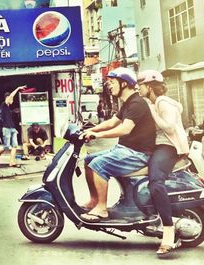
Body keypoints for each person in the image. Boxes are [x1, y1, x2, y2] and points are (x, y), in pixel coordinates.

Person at [80, 67, 156, 222]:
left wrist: (97, 135)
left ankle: (101, 209)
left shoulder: (137, 103)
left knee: (98, 165)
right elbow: (112, 122)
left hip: (138, 154)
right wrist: (89, 129)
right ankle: (94, 200)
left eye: (112, 82)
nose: (109, 86)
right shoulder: (128, 103)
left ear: (124, 84)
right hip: (125, 150)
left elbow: (125, 129)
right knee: (88, 161)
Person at [138, 70, 189, 256]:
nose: (139, 88)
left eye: (141, 85)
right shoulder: (155, 102)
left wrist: (151, 111)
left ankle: (169, 233)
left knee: (156, 183)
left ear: (149, 87)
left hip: (168, 148)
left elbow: (168, 126)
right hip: (158, 146)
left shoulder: (162, 102)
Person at [0, 85, 26, 167]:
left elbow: (10, 119)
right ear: (7, 98)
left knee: (15, 146)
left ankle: (12, 162)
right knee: (6, 147)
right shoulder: (4, 105)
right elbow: (11, 96)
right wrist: (18, 88)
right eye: (11, 98)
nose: (12, 100)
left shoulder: (8, 108)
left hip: (12, 129)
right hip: (6, 129)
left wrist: (15, 129)